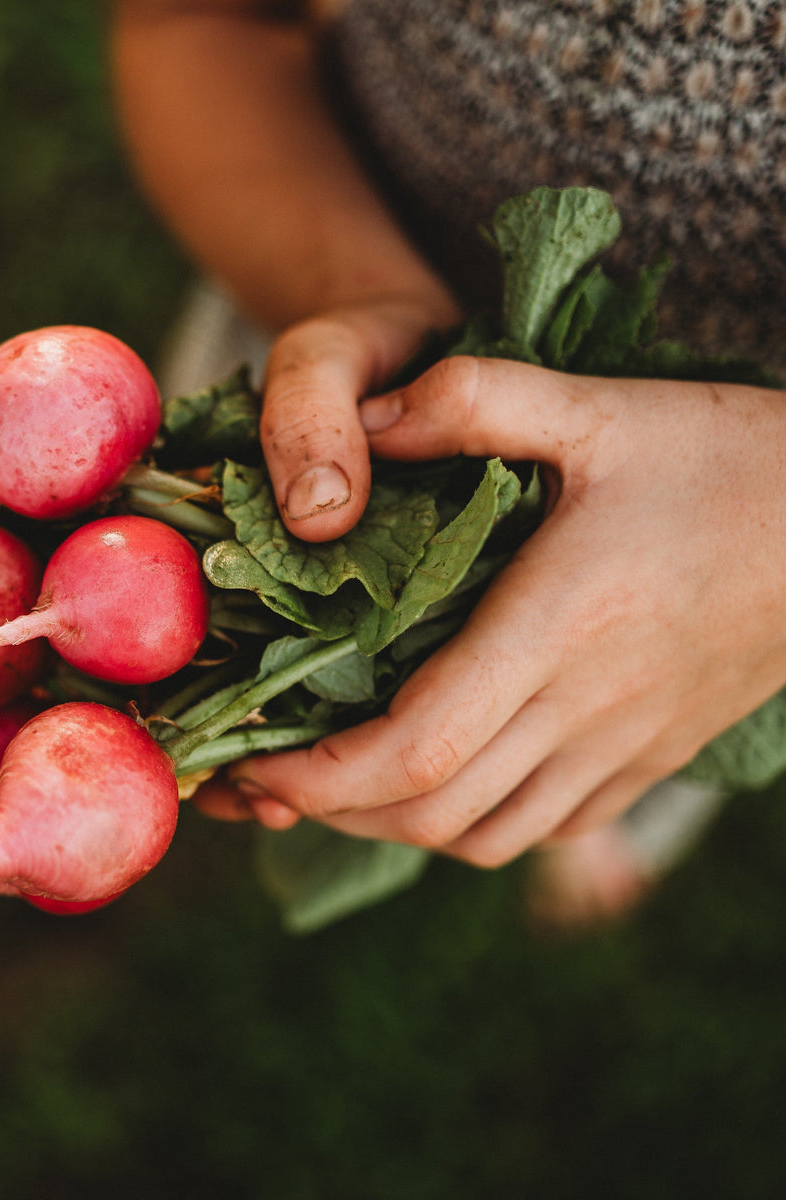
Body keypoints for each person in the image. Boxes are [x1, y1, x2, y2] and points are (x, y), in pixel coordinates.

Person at [109, 0, 786, 921]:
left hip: (726, 539)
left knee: (634, 721)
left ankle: (599, 813)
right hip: (337, 295)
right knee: (202, 586)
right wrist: (360, 290)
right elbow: (189, 23)